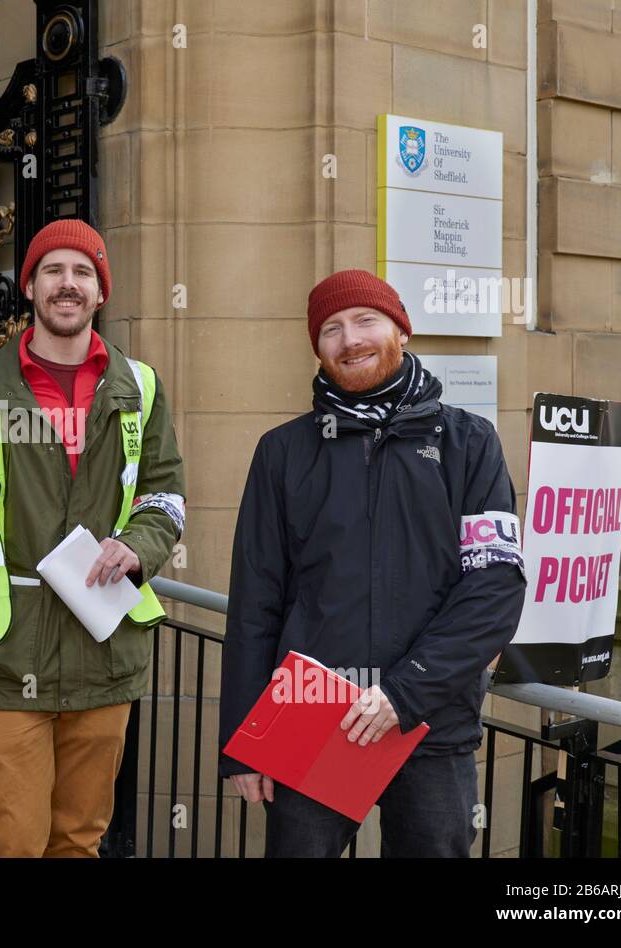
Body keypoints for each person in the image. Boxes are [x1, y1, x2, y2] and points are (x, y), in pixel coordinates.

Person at [218, 268, 526, 857]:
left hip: (429, 725)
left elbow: (494, 587)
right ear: (318, 348)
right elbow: (254, 603)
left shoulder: (470, 443)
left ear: (401, 331)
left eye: (366, 321)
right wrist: (243, 741)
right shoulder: (282, 452)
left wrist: (403, 694)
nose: (350, 339)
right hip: (309, 724)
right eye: (330, 329)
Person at [0, 219, 185, 857]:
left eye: (83, 272)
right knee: (14, 840)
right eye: (54, 271)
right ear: (30, 286)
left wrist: (140, 546)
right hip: (8, 654)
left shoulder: (141, 387)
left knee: (79, 840)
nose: (69, 284)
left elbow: (165, 495)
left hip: (106, 650)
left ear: (101, 291)